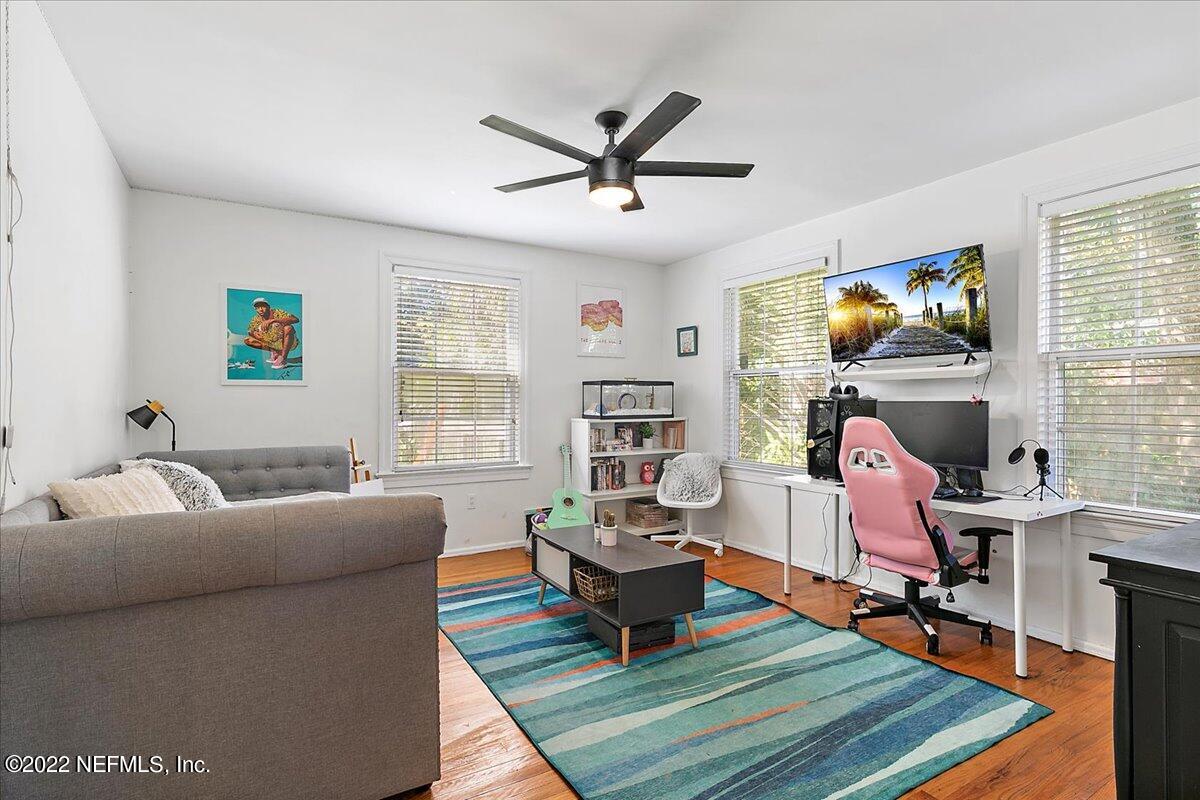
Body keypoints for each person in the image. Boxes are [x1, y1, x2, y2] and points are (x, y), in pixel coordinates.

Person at [243, 297, 300, 369]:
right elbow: (249, 331)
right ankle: (275, 352)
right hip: (274, 344)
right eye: (257, 307)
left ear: (268, 307)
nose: (260, 309)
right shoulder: (256, 318)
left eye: (263, 306)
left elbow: (295, 319)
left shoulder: (277, 312)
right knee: (248, 340)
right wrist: (254, 333)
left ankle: (283, 359)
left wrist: (273, 320)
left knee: (288, 328)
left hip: (290, 342)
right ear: (255, 309)